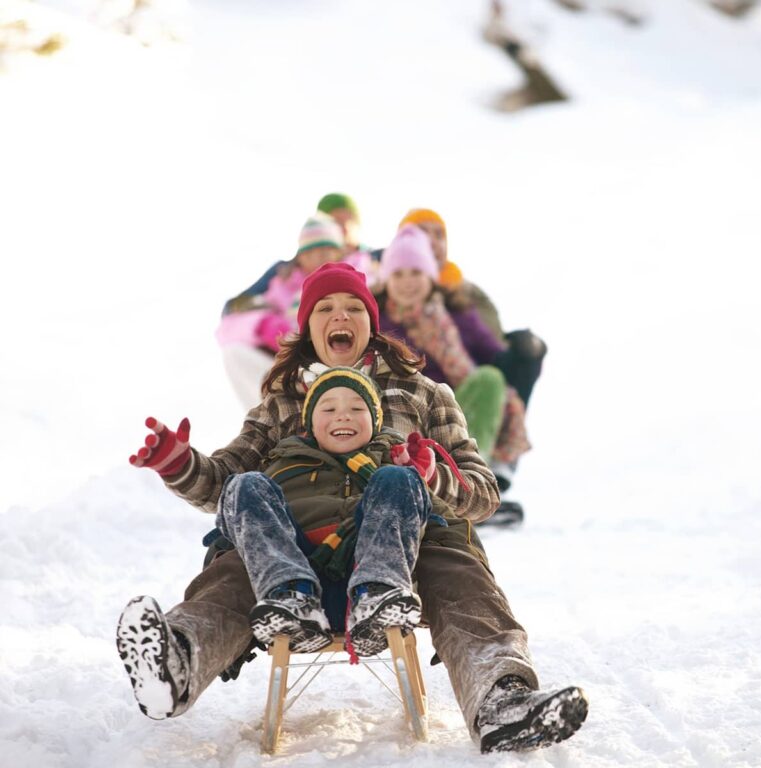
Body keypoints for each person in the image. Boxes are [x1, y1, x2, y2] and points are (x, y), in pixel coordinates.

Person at [117, 262, 587, 753]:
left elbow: (482, 494)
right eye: (324, 308)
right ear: (307, 326)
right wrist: (178, 465)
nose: (339, 316)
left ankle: (502, 698)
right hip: (294, 552)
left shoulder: (425, 394)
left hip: (409, 546)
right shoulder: (280, 404)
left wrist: (433, 476)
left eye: (352, 307)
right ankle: (177, 661)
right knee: (234, 569)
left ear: (371, 322)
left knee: (460, 574)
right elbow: (227, 488)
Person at [398, 208, 548, 490]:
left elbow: (492, 348)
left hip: (465, 391)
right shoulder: (384, 300)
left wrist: (524, 350)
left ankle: (484, 470)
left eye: (438, 234)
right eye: (422, 234)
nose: (431, 241)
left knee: (502, 371)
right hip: (415, 406)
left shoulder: (463, 299)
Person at [374, 225, 530, 473]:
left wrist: (526, 354)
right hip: (401, 412)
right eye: (398, 274)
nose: (407, 282)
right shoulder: (377, 321)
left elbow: (495, 356)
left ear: (430, 277)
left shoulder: (456, 314)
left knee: (490, 378)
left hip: (455, 410)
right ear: (386, 280)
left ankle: (474, 473)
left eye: (416, 272)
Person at [216, 212, 348, 409]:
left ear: (338, 252)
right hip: (290, 357)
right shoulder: (282, 284)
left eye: (324, 251)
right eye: (309, 253)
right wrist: (263, 325)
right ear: (299, 257)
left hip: (330, 357)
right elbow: (229, 322)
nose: (317, 259)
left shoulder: (353, 277)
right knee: (233, 353)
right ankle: (268, 416)